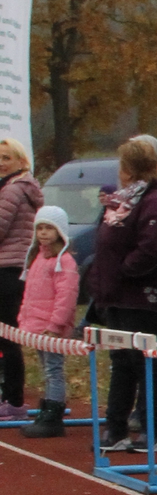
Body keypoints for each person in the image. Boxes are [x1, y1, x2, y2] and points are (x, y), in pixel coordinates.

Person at [91, 135, 157, 453]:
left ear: (130, 169)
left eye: (122, 165)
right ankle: (116, 430)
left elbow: (151, 249)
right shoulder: (123, 201)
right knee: (121, 362)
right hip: (116, 296)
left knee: (145, 365)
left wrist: (123, 271)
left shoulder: (155, 202)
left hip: (143, 299)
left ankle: (154, 433)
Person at [19, 206, 80, 439]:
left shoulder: (65, 262)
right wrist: (24, 319)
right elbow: (30, 293)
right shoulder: (38, 258)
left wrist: (55, 326)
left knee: (54, 369)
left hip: (52, 329)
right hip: (37, 327)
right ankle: (46, 409)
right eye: (40, 228)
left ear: (60, 231)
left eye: (49, 228)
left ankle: (53, 415)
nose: (43, 233)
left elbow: (66, 297)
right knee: (46, 369)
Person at [0, 136, 43, 424]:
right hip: (14, 266)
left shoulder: (12, 190)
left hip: (6, 267)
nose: (1, 163)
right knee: (7, 336)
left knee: (7, 335)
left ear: (20, 161)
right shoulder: (23, 188)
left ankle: (14, 399)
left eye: (6, 158)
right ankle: (10, 396)